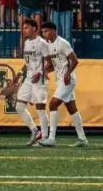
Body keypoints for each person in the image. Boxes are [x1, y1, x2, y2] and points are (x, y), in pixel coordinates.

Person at [37, 19, 86, 148]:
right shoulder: (48, 46)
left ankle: (51, 138)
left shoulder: (63, 43)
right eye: (43, 32)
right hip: (60, 81)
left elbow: (75, 60)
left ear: (53, 31)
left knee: (53, 104)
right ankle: (82, 138)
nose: (44, 34)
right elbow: (53, 66)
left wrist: (67, 73)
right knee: (72, 109)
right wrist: (43, 71)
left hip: (68, 80)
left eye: (46, 31)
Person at [7, 18, 50, 146]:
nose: (24, 30)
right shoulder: (26, 43)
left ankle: (45, 138)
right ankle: (35, 131)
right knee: (19, 106)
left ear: (35, 29)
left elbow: (50, 63)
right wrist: (19, 73)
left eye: (26, 27)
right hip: (28, 79)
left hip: (39, 80)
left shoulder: (42, 43)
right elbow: (27, 62)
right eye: (23, 27)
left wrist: (41, 73)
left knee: (40, 109)